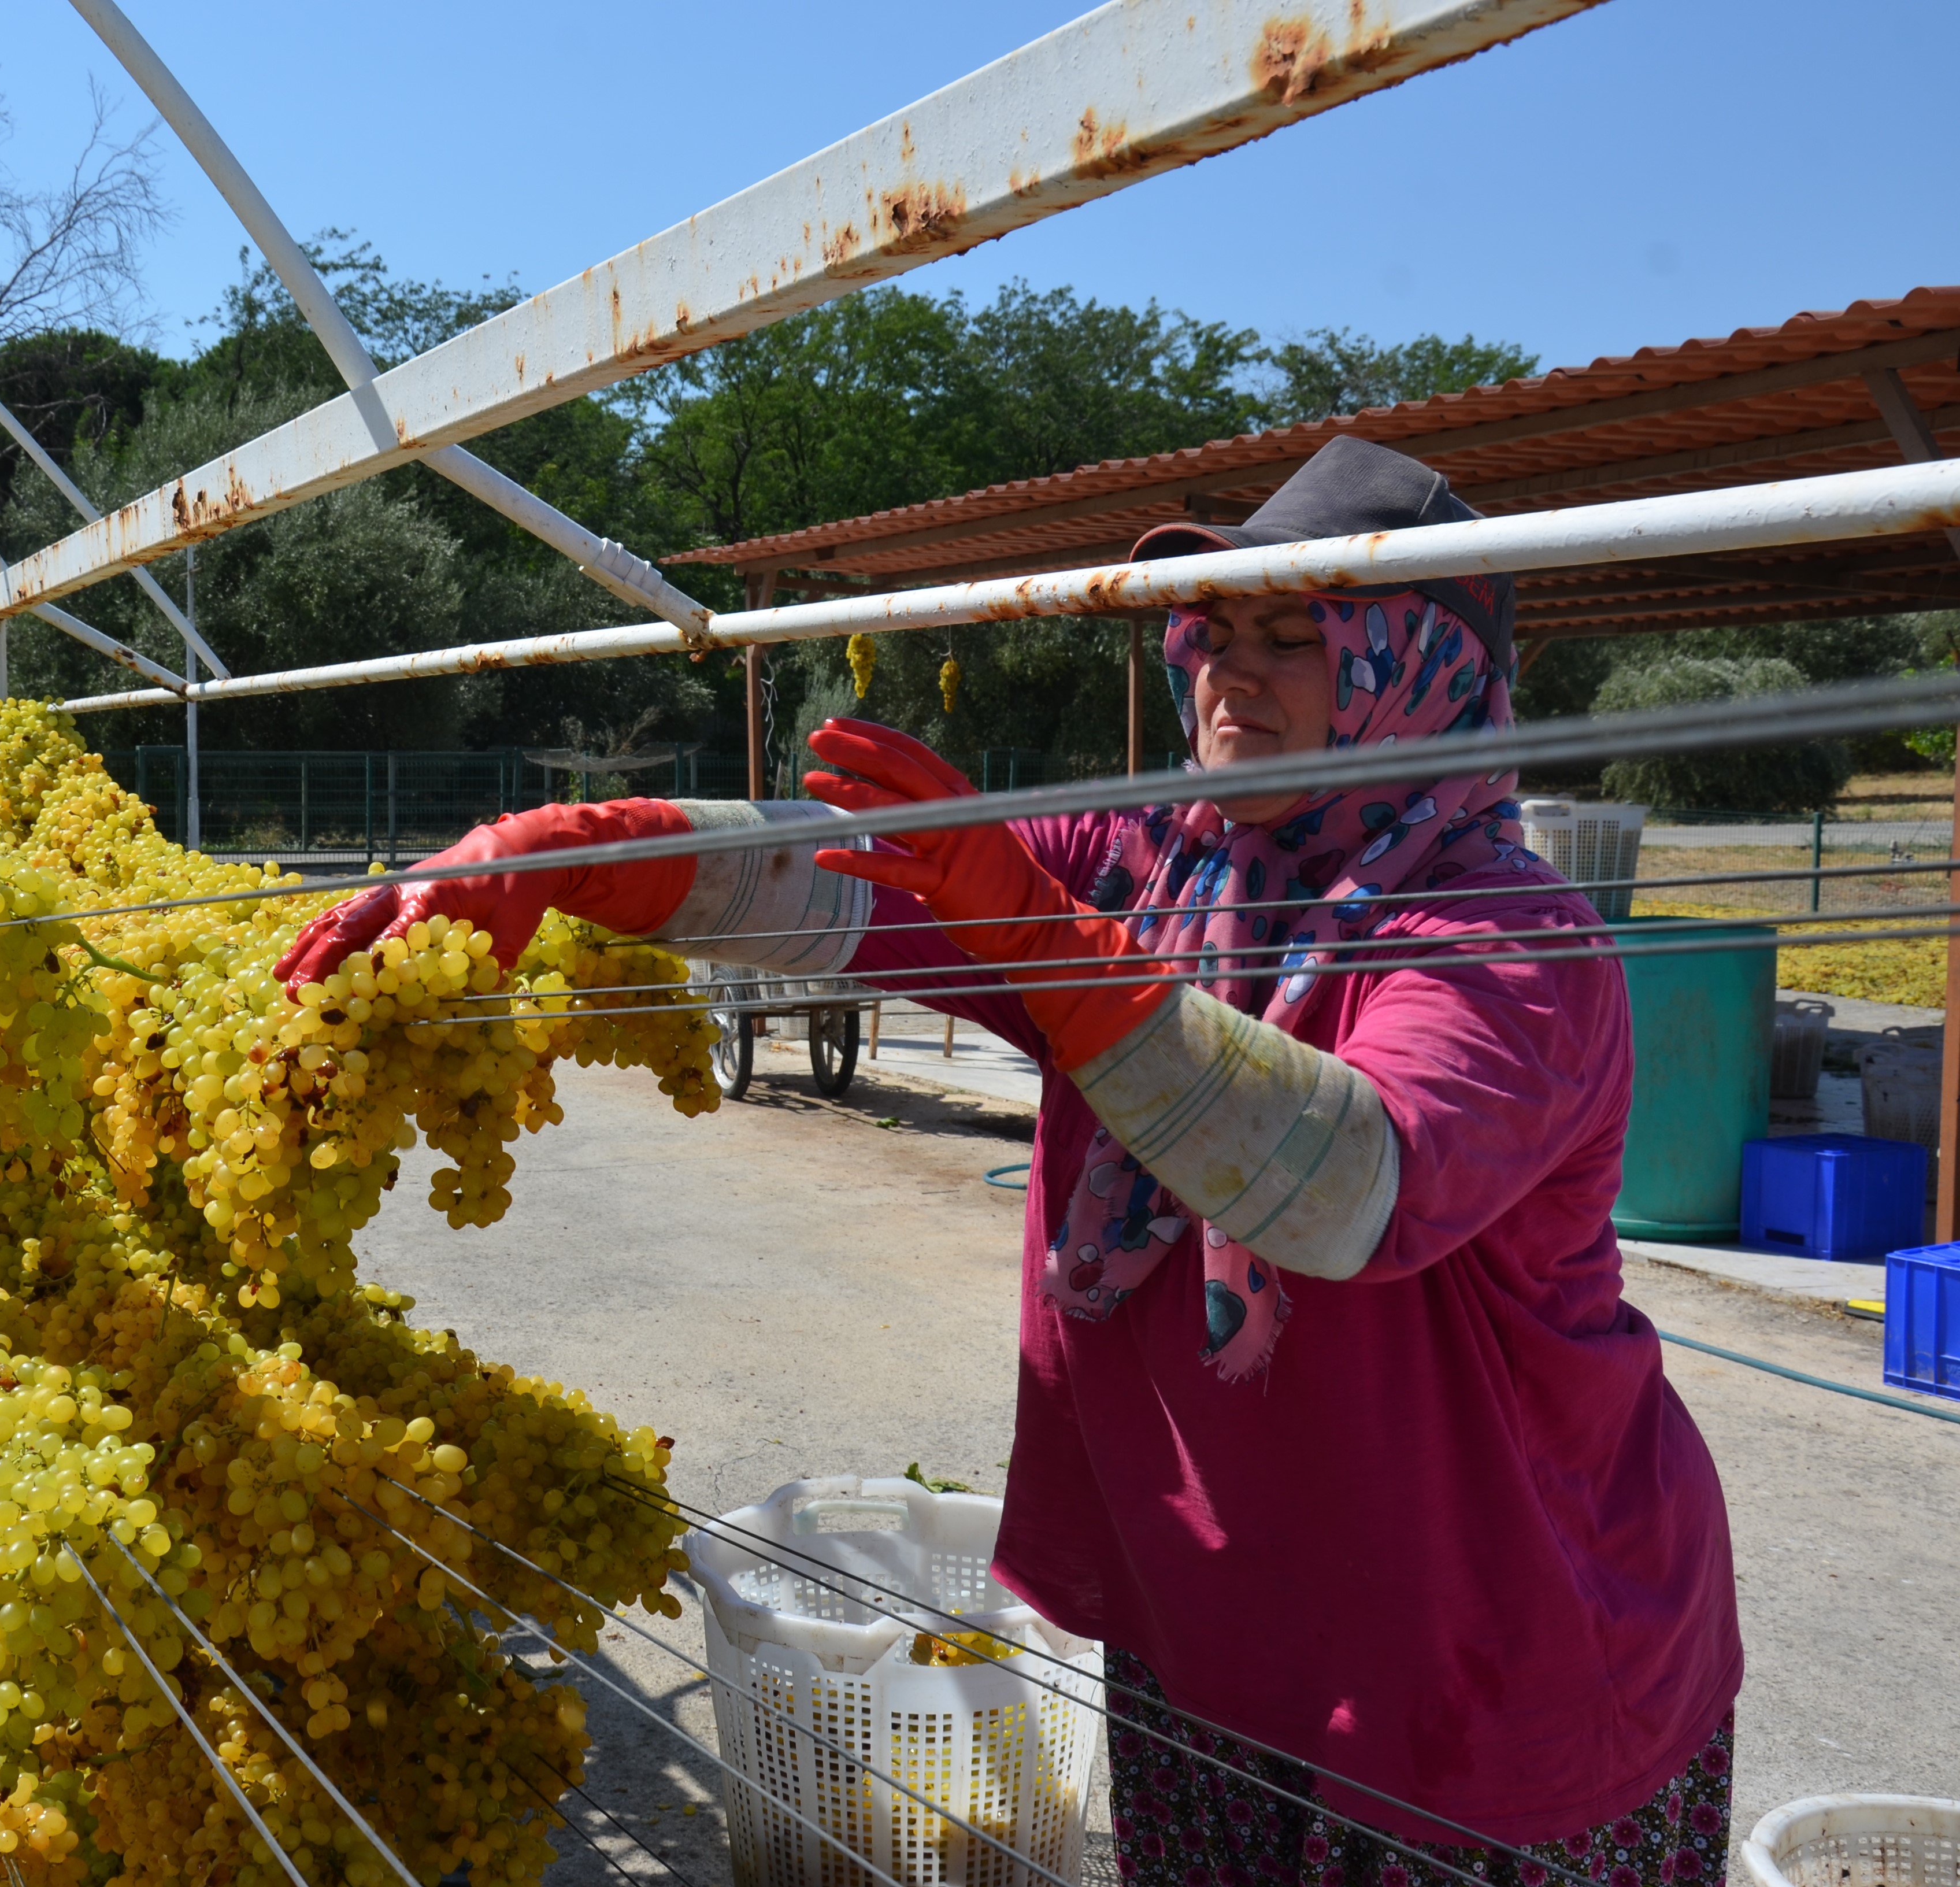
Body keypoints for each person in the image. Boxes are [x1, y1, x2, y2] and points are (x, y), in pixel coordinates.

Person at [276, 437, 1739, 1884]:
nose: (1230, 675)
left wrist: (1056, 951)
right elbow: (835, 880)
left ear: (1417, 674)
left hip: (1490, 1671)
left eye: (1298, 638)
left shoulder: (1505, 935)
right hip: (1202, 1636)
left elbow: (1350, 1186)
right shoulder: (1148, 863)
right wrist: (574, 851)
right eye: (1213, 631)